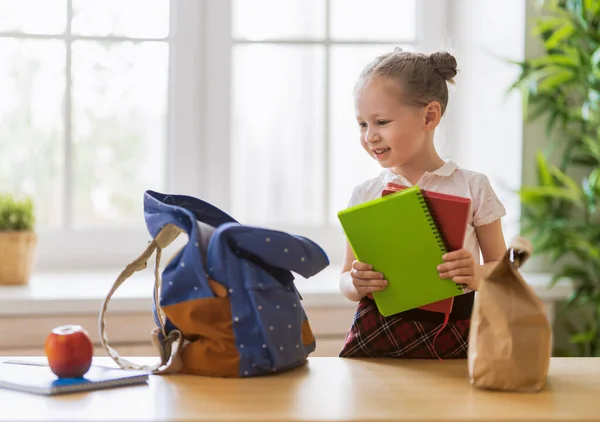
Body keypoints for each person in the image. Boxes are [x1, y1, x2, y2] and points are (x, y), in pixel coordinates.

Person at [338, 48, 507, 359]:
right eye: (362, 124)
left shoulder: (472, 186)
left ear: (429, 116)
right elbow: (346, 278)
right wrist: (356, 282)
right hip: (379, 331)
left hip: (455, 330)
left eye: (382, 122)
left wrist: (475, 273)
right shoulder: (365, 193)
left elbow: (505, 274)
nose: (370, 136)